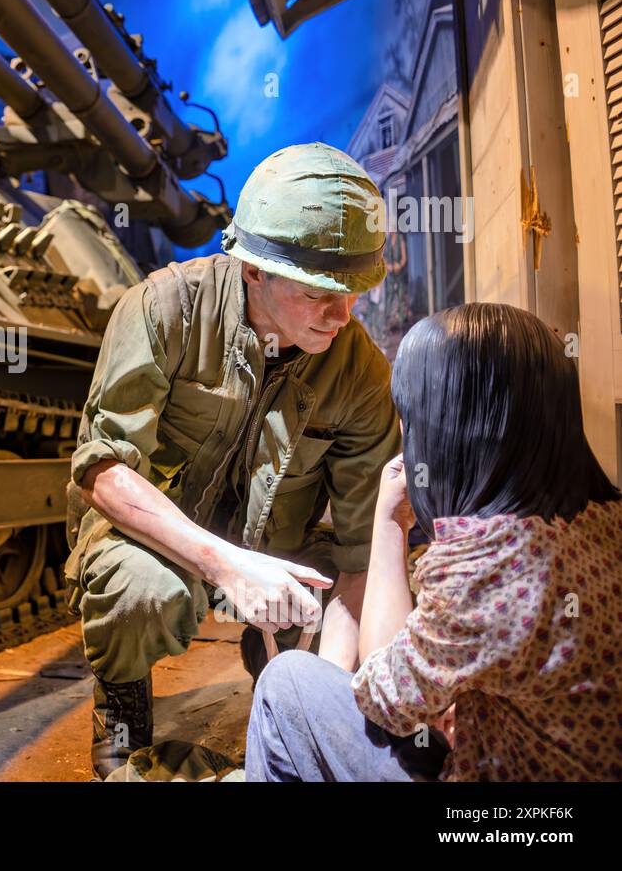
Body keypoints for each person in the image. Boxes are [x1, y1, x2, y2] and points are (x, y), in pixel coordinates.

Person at [67, 142, 401, 778]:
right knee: (141, 593)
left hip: (284, 544)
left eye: (354, 292)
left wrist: (317, 702)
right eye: (317, 293)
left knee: (336, 603)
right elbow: (103, 474)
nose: (342, 315)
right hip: (163, 534)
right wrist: (228, 568)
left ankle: (281, 672)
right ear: (254, 272)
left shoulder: (359, 370)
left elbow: (364, 552)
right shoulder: (164, 309)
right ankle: (121, 704)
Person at [247, 303, 622, 781]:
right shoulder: (608, 522)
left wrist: (387, 522)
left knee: (286, 681)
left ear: (452, 430)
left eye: (409, 416)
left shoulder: (490, 564)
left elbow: (384, 698)